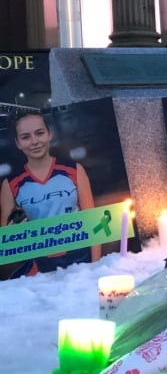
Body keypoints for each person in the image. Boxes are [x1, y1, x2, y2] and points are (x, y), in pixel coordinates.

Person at [0, 110, 99, 278]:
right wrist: (13, 233)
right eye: (25, 137)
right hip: (38, 267)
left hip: (80, 260)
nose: (34, 142)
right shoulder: (11, 184)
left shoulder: (73, 170)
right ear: (18, 143)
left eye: (39, 133)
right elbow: (6, 242)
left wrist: (96, 265)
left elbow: (93, 222)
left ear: (49, 134)